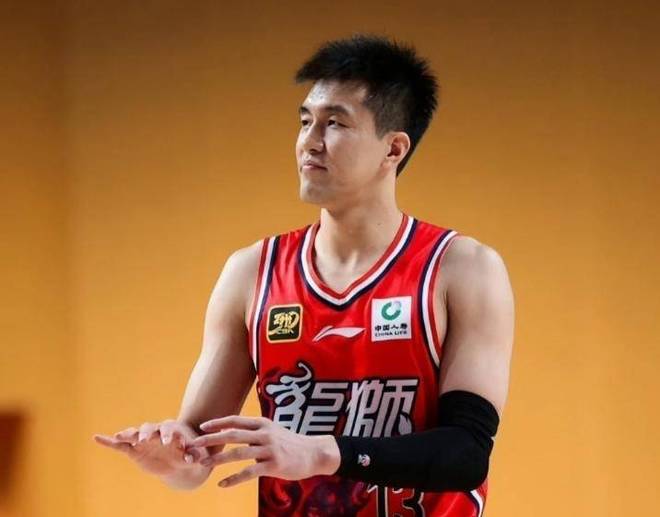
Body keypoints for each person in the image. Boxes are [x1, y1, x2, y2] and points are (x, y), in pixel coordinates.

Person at [94, 33, 514, 516]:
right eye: (304, 121)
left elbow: (466, 454)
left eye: (334, 123)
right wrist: (171, 458)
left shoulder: (462, 269)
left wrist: (322, 452)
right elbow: (196, 457)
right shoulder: (252, 272)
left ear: (393, 149)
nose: (309, 142)